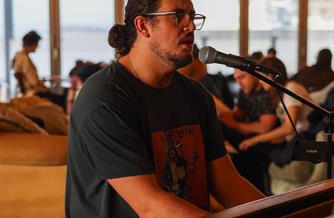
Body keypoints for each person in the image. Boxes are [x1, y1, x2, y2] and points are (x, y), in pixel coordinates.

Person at [65, 0, 264, 217]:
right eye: (177, 15)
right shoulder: (105, 99)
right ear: (143, 26)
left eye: (192, 16)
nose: (190, 26)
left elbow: (228, 183)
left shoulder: (196, 95)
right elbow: (151, 206)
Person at [237, 57, 313, 192]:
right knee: (254, 150)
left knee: (253, 151)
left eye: (262, 78)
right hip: (293, 141)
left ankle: (258, 194)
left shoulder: (291, 88)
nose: (260, 82)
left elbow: (289, 128)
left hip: (305, 141)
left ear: (271, 76)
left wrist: (255, 139)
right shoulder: (281, 93)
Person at [12, 30, 66, 109]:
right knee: (63, 99)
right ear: (33, 44)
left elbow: (30, 78)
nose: (37, 46)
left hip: (28, 92)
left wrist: (45, 80)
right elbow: (34, 82)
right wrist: (46, 89)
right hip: (33, 94)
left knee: (58, 96)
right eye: (37, 44)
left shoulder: (18, 56)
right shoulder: (25, 59)